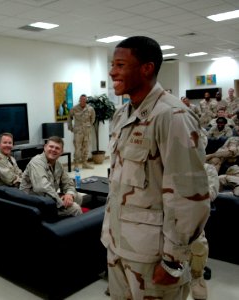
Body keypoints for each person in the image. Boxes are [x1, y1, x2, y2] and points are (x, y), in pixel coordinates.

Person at [103, 36, 210, 299]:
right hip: (118, 244)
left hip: (153, 255)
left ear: (146, 68)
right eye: (112, 64)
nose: (111, 72)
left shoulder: (172, 116)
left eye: (120, 64)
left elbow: (189, 196)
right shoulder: (122, 114)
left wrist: (173, 260)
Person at [19, 136, 83, 217]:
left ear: (61, 152)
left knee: (78, 197)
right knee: (75, 208)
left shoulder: (58, 165)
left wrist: (69, 195)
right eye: (51, 146)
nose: (53, 150)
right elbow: (42, 188)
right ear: (45, 147)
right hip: (32, 203)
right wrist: (61, 202)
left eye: (57, 148)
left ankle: (61, 222)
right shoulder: (36, 162)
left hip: (47, 199)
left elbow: (68, 183)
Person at [189, 163, 218, 300]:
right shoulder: (172, 165)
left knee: (198, 242)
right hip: (167, 211)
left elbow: (211, 193)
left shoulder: (208, 169)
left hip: (192, 212)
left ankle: (197, 275)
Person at [67, 94, 96, 169]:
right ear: (79, 100)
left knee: (86, 147)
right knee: (77, 148)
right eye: (82, 100)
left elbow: (93, 118)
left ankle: (85, 163)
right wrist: (70, 127)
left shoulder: (90, 109)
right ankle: (76, 164)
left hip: (87, 131)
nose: (83, 101)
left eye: (84, 100)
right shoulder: (74, 108)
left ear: (86, 100)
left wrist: (88, 125)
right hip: (78, 132)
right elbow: (69, 118)